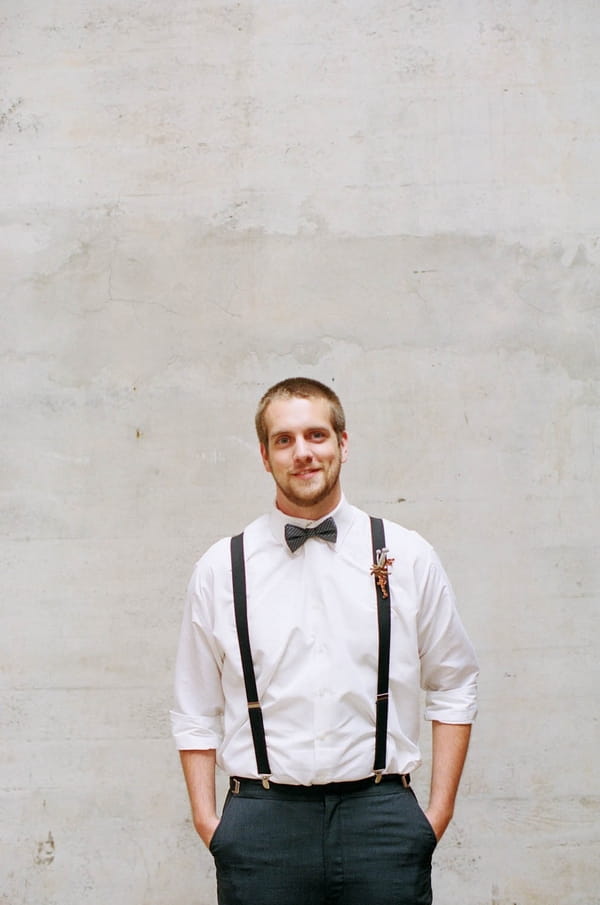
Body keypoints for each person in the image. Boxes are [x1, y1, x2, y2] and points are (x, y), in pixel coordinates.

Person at [171, 377, 478, 905]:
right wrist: (210, 822)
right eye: (284, 440)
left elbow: (454, 682)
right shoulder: (223, 567)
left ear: (342, 443)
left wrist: (435, 814)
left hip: (381, 819)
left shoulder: (406, 554)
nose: (303, 453)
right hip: (261, 825)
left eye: (316, 435)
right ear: (265, 456)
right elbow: (194, 706)